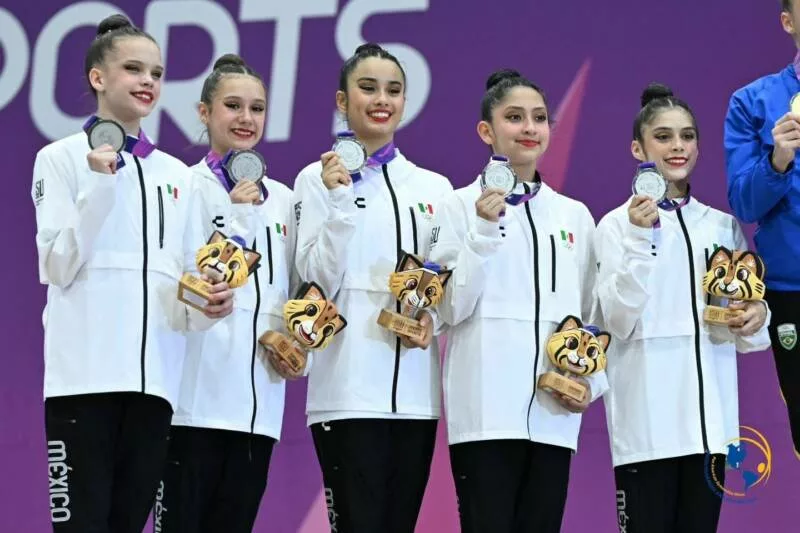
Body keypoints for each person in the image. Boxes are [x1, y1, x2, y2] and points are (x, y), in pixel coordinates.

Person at [31, 14, 233, 533]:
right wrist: (98, 186)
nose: (148, 81)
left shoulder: (177, 176)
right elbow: (56, 265)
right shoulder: (59, 159)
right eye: (133, 69)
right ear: (98, 78)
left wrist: (209, 306)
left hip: (155, 386)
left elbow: (186, 285)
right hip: (84, 381)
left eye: (157, 73)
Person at [428, 69, 608, 533]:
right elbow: (448, 309)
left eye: (539, 118)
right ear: (486, 131)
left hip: (554, 414)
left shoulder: (573, 215)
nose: (529, 128)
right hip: (485, 414)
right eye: (514, 117)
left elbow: (594, 316)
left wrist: (591, 382)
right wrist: (483, 232)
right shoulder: (457, 206)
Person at [292, 43, 453, 533]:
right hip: (346, 391)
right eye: (368, 88)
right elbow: (314, 281)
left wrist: (431, 321)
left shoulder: (434, 188)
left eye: (393, 90)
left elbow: (445, 283)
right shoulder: (315, 181)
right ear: (342, 101)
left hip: (417, 400)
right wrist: (339, 200)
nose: (382, 99)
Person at [598, 83, 770, 533]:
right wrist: (640, 240)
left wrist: (756, 317)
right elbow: (616, 321)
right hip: (647, 431)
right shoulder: (615, 227)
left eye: (687, 136)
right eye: (663, 136)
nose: (678, 146)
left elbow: (749, 334)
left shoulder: (721, 226)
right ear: (638, 148)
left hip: (711, 433)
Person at [157, 54, 298, 533]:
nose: (246, 118)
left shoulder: (283, 199)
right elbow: (184, 285)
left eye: (257, 108)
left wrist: (298, 344)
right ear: (204, 112)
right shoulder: (184, 187)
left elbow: (293, 292)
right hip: (191, 407)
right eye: (233, 106)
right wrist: (237, 217)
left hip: (257, 411)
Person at [724, 0, 800, 458]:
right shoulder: (753, 102)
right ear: (788, 22)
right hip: (793, 290)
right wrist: (778, 159)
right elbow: (745, 203)